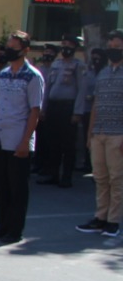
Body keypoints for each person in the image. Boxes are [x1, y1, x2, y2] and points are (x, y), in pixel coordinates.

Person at [0, 32, 44, 244]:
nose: (9, 50)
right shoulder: (4, 74)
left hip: (18, 138)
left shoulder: (33, 76)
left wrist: (26, 141)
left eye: (14, 47)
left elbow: (35, 112)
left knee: (17, 187)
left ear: (25, 49)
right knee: (0, 185)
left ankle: (15, 230)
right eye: (8, 46)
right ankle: (2, 225)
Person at [75, 30, 123, 237]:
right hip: (99, 133)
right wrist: (90, 134)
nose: (113, 50)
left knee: (117, 179)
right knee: (100, 178)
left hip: (118, 134)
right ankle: (100, 217)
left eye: (117, 47)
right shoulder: (102, 73)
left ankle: (113, 221)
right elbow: (95, 104)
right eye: (110, 47)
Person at [38, 33, 90, 188]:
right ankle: (52, 174)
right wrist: (43, 108)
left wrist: (77, 112)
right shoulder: (56, 64)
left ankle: (66, 177)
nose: (65, 47)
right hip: (53, 106)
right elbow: (48, 87)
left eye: (69, 45)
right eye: (64, 44)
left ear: (74, 47)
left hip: (68, 108)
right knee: (52, 142)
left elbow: (82, 90)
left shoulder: (78, 66)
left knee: (68, 145)